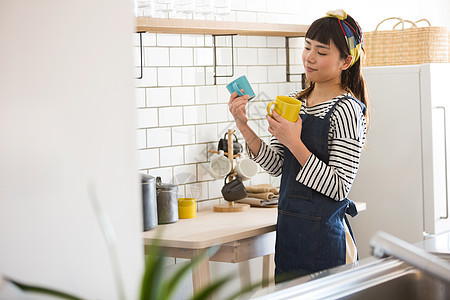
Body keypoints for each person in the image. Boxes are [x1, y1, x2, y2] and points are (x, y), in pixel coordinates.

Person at [228, 9, 369, 283]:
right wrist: (243, 125)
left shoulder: (347, 109)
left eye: (322, 51)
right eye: (307, 47)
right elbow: (278, 165)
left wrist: (294, 140)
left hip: (326, 243)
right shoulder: (295, 101)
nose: (309, 57)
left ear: (346, 61)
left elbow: (339, 187)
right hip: (290, 235)